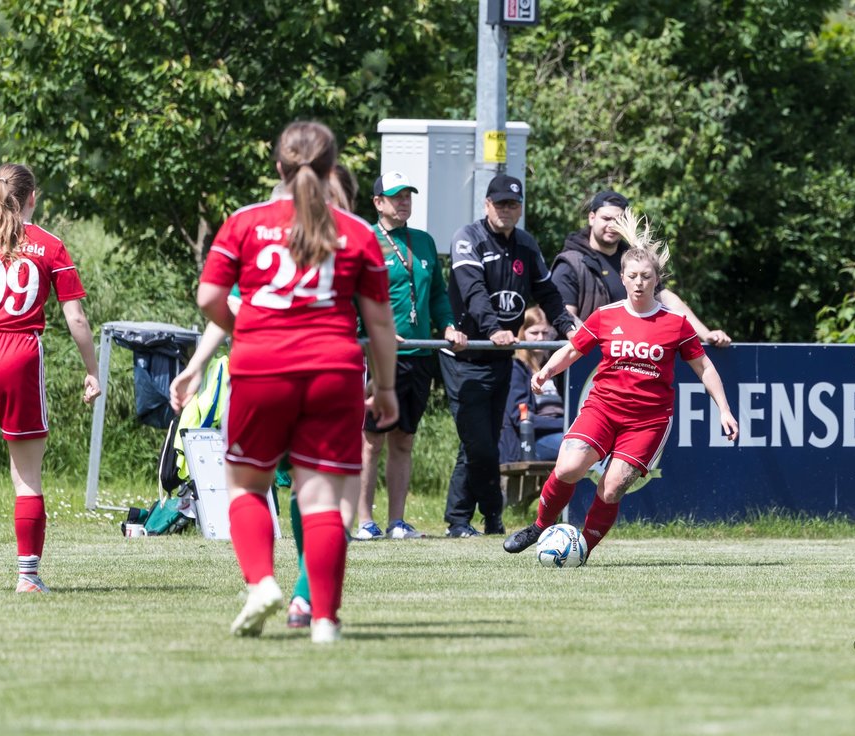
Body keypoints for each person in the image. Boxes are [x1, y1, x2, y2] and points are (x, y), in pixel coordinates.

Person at [196, 121, 398, 643]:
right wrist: (388, 387)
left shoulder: (245, 221)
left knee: (246, 486)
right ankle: (325, 620)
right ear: (332, 170)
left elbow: (208, 299)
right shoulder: (356, 232)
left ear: (279, 167)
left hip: (261, 366)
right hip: (334, 369)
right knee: (323, 499)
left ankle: (261, 581)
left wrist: (249, 328)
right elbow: (380, 323)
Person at [503, 210, 739, 559]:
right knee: (568, 467)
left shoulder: (674, 323)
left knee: (612, 487)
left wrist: (724, 409)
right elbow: (572, 351)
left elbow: (704, 367)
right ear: (623, 278)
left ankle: (580, 548)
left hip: (647, 420)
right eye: (633, 276)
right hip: (602, 408)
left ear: (656, 280)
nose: (639, 282)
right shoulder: (606, 315)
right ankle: (539, 526)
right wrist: (546, 372)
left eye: (646, 276)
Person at [0, 163, 101, 593]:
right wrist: (92, 371)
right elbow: (77, 319)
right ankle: (27, 578)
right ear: (33, 197)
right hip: (18, 353)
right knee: (26, 477)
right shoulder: (50, 246)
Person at [442, 174, 574, 538]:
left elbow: (547, 293)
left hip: (501, 356)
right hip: (466, 354)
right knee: (478, 441)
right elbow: (473, 290)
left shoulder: (526, 245)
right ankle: (475, 516)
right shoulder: (468, 238)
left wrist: (568, 327)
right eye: (500, 204)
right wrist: (492, 328)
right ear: (487, 206)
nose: (506, 210)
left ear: (520, 208)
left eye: (513, 204)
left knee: (483, 442)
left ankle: (472, 519)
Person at [353, 171, 468, 541]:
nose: (404, 202)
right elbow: (351, 297)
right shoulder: (364, 241)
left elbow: (437, 294)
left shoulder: (423, 241)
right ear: (378, 202)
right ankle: (365, 521)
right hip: (377, 353)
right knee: (372, 440)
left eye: (408, 195)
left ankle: (397, 521)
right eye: (396, 196)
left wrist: (448, 325)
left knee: (404, 438)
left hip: (419, 353)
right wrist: (374, 332)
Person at [552, 189, 732, 346]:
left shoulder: (634, 259)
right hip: (584, 368)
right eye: (606, 218)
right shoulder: (571, 263)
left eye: (619, 220)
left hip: (632, 358)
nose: (612, 226)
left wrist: (706, 334)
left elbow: (666, 299)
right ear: (592, 218)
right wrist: (593, 345)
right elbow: (564, 315)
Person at [499, 306, 566, 464]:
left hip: (562, 433)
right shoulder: (517, 369)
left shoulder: (557, 370)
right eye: (534, 333)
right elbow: (521, 418)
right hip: (533, 441)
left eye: (544, 333)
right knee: (580, 449)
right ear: (522, 334)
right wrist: (565, 424)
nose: (540, 338)